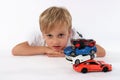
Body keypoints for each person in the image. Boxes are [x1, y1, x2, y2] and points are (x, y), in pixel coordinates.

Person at [12, 6, 106, 57]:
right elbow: (16, 50)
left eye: (60, 35)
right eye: (49, 35)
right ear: (43, 34)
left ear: (69, 33)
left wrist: (68, 53)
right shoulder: (40, 37)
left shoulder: (74, 39)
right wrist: (45, 49)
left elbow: (101, 52)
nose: (55, 41)